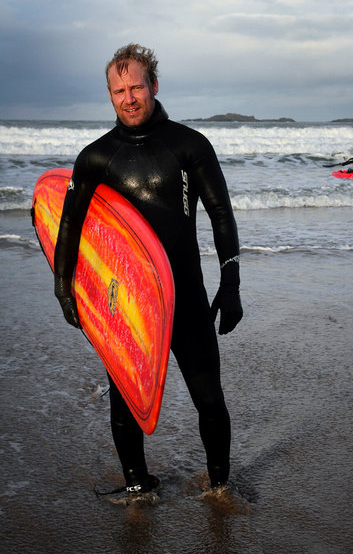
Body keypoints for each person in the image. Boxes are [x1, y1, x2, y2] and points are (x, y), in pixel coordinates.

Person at [53, 43, 243, 496]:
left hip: (186, 298)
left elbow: (221, 214)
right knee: (124, 403)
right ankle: (137, 486)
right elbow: (68, 226)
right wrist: (64, 287)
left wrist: (231, 283)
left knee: (210, 401)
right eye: (118, 90)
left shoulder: (189, 145)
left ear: (154, 86)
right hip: (127, 305)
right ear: (110, 95)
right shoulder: (96, 158)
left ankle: (219, 488)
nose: (129, 97)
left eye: (136, 86)